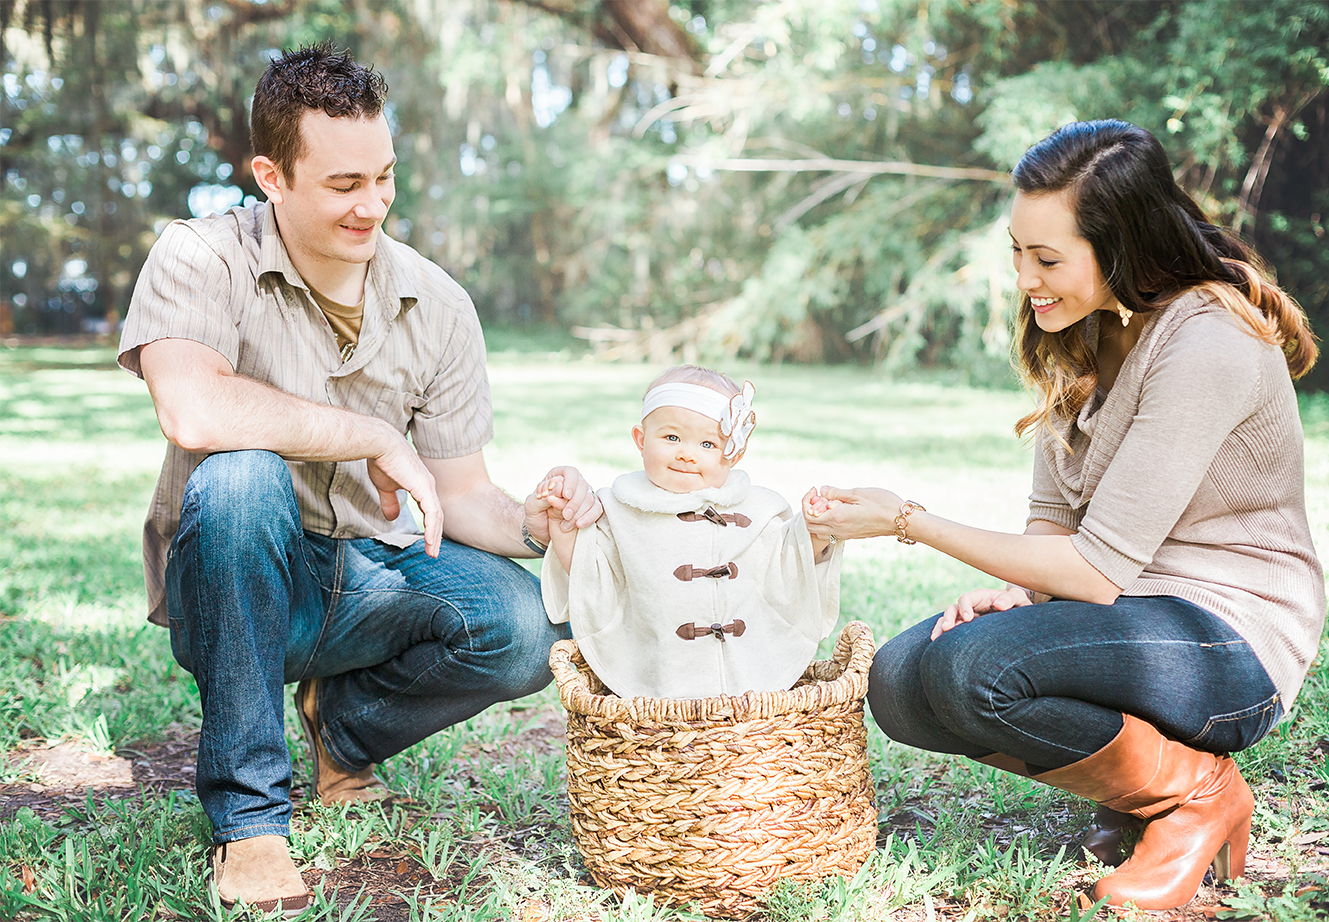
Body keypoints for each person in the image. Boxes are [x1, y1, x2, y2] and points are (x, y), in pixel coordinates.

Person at [118, 43, 600, 916]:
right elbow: (192, 409)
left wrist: (538, 521)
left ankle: (341, 734)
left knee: (528, 624)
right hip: (235, 576)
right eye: (343, 185)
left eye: (383, 177)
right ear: (271, 175)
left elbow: (457, 496)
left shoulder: (437, 302)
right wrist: (368, 434)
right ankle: (251, 820)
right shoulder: (199, 255)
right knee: (237, 479)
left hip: (367, 580)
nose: (371, 204)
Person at [804, 119, 1324, 912]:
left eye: (1047, 258)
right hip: (1128, 611)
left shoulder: (1207, 343)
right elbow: (1053, 519)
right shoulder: (1080, 328)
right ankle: (1148, 785)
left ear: (1125, 246)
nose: (1024, 278)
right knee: (902, 681)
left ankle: (1194, 797)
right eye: (1017, 251)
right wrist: (1023, 595)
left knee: (973, 669)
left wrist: (908, 519)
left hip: (1230, 636)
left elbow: (1094, 567)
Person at [530, 365, 844, 699]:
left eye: (708, 444)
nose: (686, 453)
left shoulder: (757, 510)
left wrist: (816, 531)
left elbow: (785, 568)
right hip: (655, 668)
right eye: (672, 437)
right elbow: (589, 573)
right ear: (641, 439)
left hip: (747, 671)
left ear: (734, 453)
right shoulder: (618, 508)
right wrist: (564, 521)